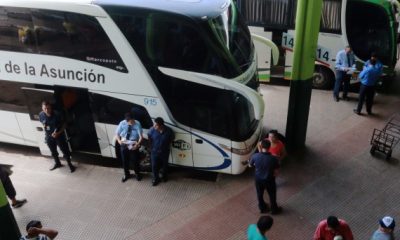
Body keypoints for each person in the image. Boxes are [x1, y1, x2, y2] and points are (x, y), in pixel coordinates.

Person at [39, 101, 76, 173]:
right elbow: (43, 123)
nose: (46, 110)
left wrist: (58, 133)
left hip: (59, 136)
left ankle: (70, 165)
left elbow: (64, 125)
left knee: (65, 151)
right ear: (42, 108)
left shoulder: (57, 114)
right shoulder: (41, 115)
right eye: (45, 108)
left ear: (51, 108)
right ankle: (57, 163)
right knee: (53, 152)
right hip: (49, 136)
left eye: (48, 108)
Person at [249, 140, 282, 214]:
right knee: (272, 195)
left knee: (259, 194)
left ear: (261, 146)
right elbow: (276, 171)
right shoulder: (273, 158)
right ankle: (274, 210)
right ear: (269, 147)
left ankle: (262, 208)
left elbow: (250, 165)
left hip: (258, 179)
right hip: (269, 180)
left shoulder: (255, 156)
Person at [115, 112, 143, 182]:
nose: (132, 123)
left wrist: (138, 144)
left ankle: (137, 174)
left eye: (132, 121)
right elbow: (117, 133)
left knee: (135, 160)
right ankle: (126, 174)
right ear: (126, 121)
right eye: (130, 122)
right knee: (125, 160)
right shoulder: (122, 123)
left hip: (133, 143)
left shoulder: (137, 123)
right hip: (124, 143)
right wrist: (119, 141)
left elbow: (141, 136)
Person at [147, 117, 174, 186]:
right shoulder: (152, 130)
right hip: (154, 152)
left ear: (161, 126)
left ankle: (164, 176)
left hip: (164, 152)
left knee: (165, 165)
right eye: (154, 124)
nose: (154, 126)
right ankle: (156, 178)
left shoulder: (169, 131)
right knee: (154, 166)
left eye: (156, 125)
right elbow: (149, 136)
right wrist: (151, 147)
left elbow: (172, 138)